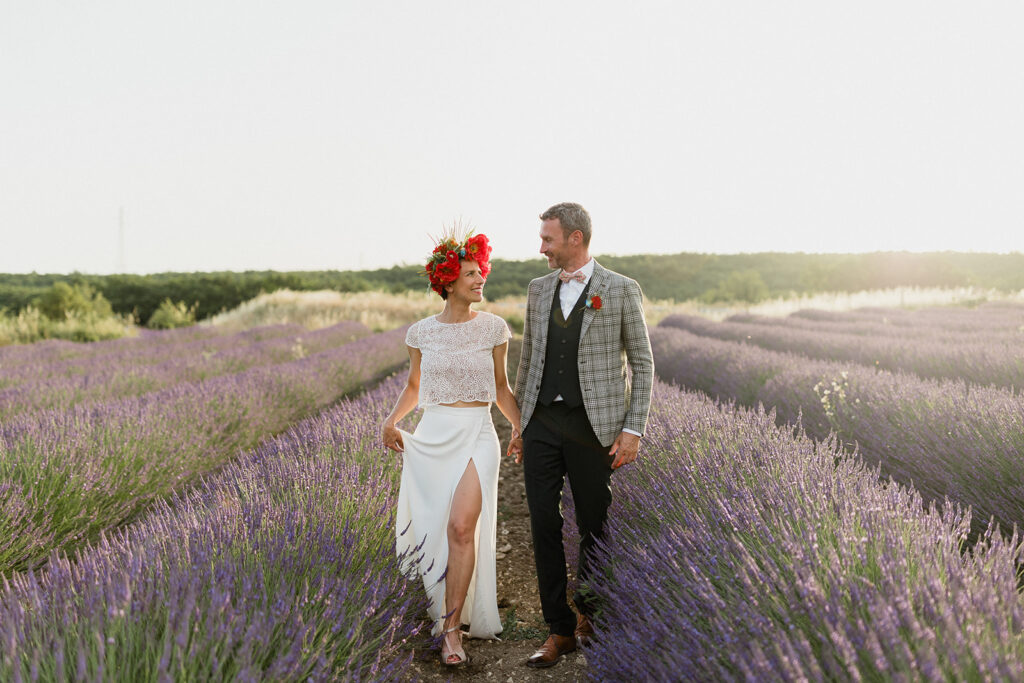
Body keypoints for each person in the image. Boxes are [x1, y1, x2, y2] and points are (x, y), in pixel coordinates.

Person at [513, 202, 654, 668]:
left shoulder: (620, 289)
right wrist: (519, 423)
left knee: (594, 523)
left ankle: (590, 614)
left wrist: (633, 429)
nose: (542, 248)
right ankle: (558, 629)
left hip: (595, 428)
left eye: (548, 239)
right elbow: (529, 358)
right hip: (541, 426)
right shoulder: (537, 290)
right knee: (542, 523)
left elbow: (643, 363)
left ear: (576, 238)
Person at [381, 229, 523, 668]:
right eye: (470, 274)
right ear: (447, 282)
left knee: (462, 528)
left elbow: (501, 387)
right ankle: (432, 610)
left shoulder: (494, 328)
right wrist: (392, 420)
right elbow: (414, 386)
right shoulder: (420, 333)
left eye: (481, 272)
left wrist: (518, 426)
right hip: (434, 433)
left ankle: (451, 629)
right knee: (433, 528)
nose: (480, 280)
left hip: (478, 433)